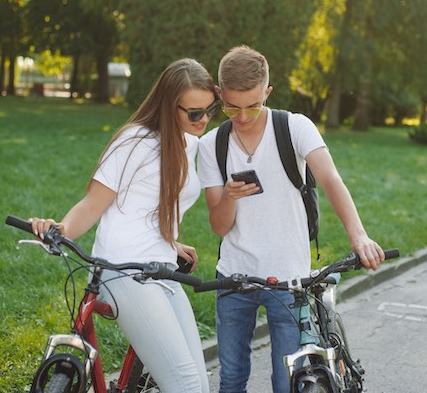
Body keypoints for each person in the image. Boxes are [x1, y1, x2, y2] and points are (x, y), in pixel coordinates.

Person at [197, 45, 385, 393]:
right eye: (232, 107)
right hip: (234, 277)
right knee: (231, 379)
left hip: (290, 280)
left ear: (267, 92)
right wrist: (229, 196)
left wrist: (358, 236)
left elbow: (331, 180)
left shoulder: (294, 127)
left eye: (253, 105)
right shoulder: (212, 145)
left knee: (287, 384)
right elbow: (219, 226)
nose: (241, 116)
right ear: (220, 95)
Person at [29, 58, 219, 393]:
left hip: (162, 270)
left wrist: (170, 241)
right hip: (120, 270)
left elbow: (148, 206)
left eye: (209, 111)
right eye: (195, 113)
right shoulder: (134, 141)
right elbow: (92, 205)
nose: (204, 120)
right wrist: (58, 230)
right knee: (187, 385)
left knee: (200, 384)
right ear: (168, 105)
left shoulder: (193, 146)